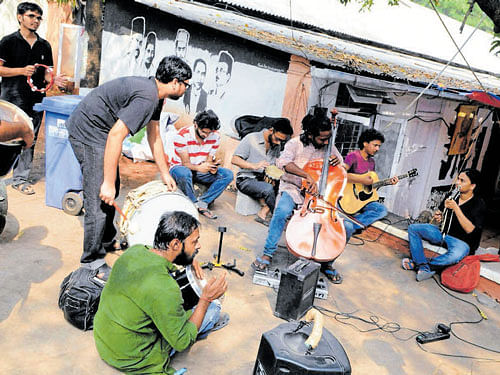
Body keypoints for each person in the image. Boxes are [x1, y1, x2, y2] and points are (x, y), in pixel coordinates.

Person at [66, 55, 191, 281]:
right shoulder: (147, 97)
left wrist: (165, 172)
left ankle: (106, 239)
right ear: (175, 82)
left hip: (102, 131)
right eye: (185, 84)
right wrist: (104, 182)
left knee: (112, 185)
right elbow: (116, 135)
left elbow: (155, 135)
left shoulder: (156, 96)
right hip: (89, 131)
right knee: (99, 194)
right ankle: (91, 261)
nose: (185, 89)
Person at [94, 211, 228, 374]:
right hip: (131, 357)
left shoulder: (135, 251)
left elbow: (161, 256)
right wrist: (205, 299)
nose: (198, 246)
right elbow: (182, 342)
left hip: (105, 342)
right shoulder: (165, 288)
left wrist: (189, 258)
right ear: (176, 244)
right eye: (195, 242)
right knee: (213, 309)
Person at [251, 111, 344, 283]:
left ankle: (326, 261)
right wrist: (305, 175)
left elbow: (341, 168)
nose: (326, 142)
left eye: (327, 138)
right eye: (322, 139)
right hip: (293, 187)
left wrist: (338, 163)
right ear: (310, 134)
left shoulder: (329, 146)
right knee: (281, 211)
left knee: (341, 227)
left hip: (319, 195)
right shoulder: (295, 144)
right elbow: (284, 163)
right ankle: (268, 253)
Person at [0, 2, 67, 195]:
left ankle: (20, 179)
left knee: (30, 139)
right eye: (31, 16)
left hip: (36, 100)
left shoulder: (44, 45)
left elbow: (46, 74)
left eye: (39, 18)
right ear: (20, 17)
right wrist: (21, 71)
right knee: (5, 138)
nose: (36, 21)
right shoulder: (8, 42)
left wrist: (54, 79)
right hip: (11, 101)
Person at [402, 169, 486, 281]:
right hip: (443, 234)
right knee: (413, 228)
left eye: (462, 181)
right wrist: (439, 217)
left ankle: (422, 265)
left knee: (455, 255)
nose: (458, 183)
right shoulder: (452, 196)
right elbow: (441, 217)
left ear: (472, 186)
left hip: (462, 242)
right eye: (458, 179)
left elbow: (470, 229)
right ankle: (423, 265)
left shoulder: (479, 204)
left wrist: (456, 208)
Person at [170, 110, 234, 220]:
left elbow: (209, 160)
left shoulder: (215, 136)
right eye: (204, 131)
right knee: (184, 173)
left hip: (200, 169)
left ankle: (203, 202)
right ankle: (193, 202)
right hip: (180, 168)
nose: (206, 135)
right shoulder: (182, 135)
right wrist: (199, 168)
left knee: (228, 174)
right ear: (195, 124)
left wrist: (212, 167)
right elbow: (185, 164)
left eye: (209, 133)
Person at [231, 119, 293, 226]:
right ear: (271, 130)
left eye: (281, 141)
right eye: (277, 139)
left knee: (286, 185)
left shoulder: (276, 144)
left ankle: (263, 213)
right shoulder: (251, 138)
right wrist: (254, 165)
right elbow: (235, 159)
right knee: (268, 189)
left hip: (263, 179)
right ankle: (279, 220)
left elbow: (274, 164)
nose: (279, 143)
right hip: (245, 179)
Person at [342, 128, 398, 242]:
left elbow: (371, 186)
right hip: (347, 198)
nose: (377, 149)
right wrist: (362, 179)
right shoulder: (353, 156)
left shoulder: (371, 162)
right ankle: (351, 225)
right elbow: (341, 175)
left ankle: (352, 225)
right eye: (375, 145)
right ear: (365, 143)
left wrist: (387, 183)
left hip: (362, 200)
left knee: (381, 210)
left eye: (379, 146)